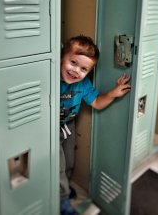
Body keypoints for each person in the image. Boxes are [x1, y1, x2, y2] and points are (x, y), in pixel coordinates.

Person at [60, 35, 131, 215]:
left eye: (84, 68)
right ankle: (61, 200)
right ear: (61, 57)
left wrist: (113, 93)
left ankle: (64, 190)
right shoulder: (50, 77)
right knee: (58, 166)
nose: (76, 71)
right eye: (73, 62)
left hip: (68, 125)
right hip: (49, 128)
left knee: (69, 162)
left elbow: (97, 102)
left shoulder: (83, 84)